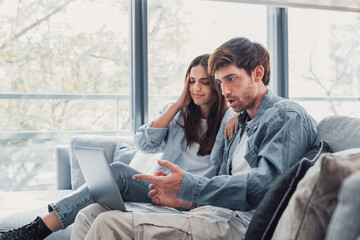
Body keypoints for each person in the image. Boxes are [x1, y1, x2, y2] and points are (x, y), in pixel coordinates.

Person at [71, 37, 319, 240]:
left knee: (109, 224)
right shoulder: (239, 124)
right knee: (90, 214)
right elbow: (225, 182)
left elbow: (262, 188)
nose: (225, 91)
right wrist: (182, 201)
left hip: (239, 224)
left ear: (257, 73)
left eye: (231, 79)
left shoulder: (287, 117)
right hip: (213, 213)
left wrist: (187, 186)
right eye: (220, 82)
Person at [0, 54, 237, 240]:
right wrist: (177, 105)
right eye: (192, 82)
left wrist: (239, 115)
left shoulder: (230, 122)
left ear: (217, 85)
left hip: (187, 197)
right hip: (157, 188)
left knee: (117, 172)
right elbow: (144, 143)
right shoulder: (179, 115)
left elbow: (226, 178)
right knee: (95, 202)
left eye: (204, 83)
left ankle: (35, 231)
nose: (197, 88)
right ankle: (35, 230)